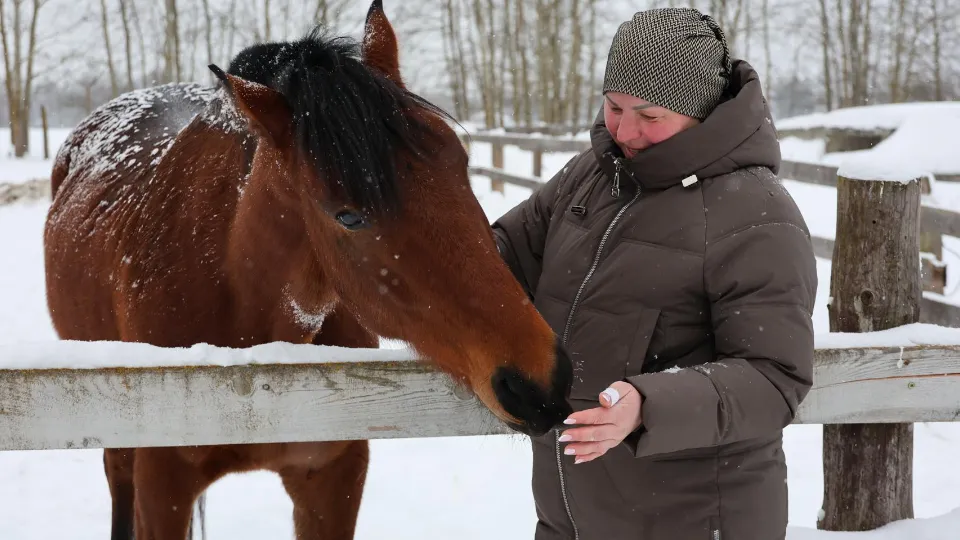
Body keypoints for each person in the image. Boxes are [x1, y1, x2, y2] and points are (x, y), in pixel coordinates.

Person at [491, 7, 817, 540]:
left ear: (700, 112)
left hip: (692, 520)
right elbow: (503, 255)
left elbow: (773, 377)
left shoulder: (755, 211)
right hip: (573, 514)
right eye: (614, 105)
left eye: (649, 114)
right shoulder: (591, 176)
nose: (625, 130)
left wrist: (649, 405)